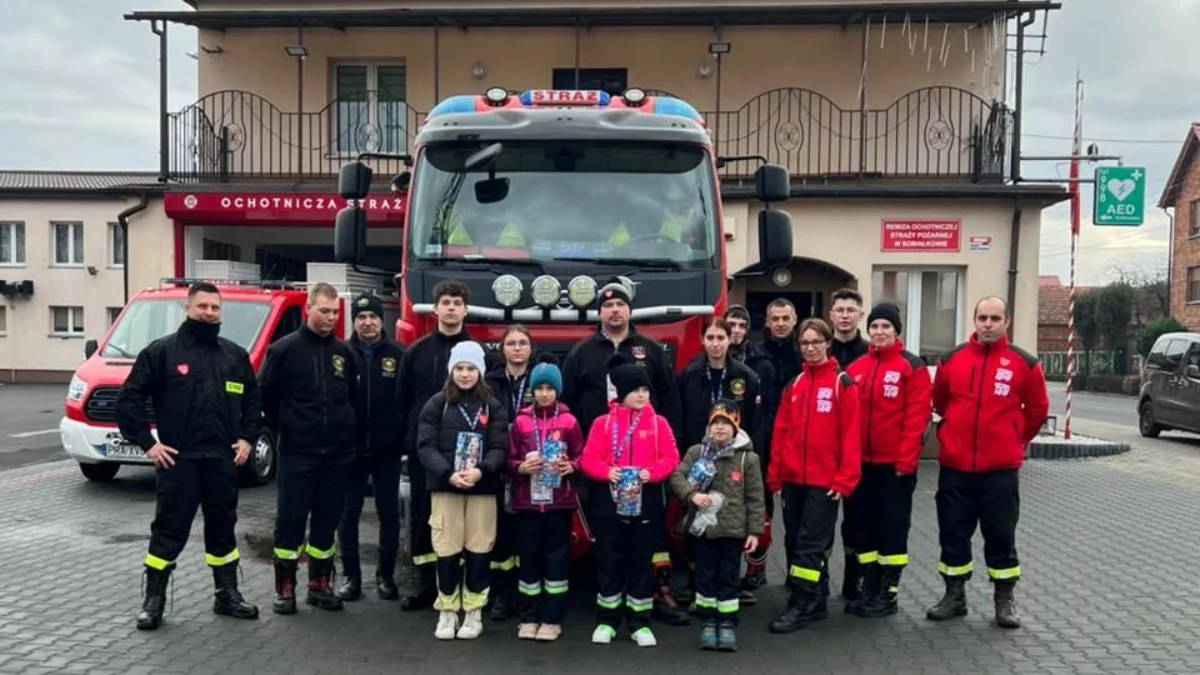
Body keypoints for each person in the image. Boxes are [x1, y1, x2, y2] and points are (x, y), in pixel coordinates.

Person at [116, 282, 262, 631]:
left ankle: (227, 594)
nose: (209, 313)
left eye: (215, 307)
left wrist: (246, 439)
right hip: (179, 462)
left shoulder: (234, 356)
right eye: (202, 306)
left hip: (222, 461)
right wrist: (148, 444)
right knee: (169, 530)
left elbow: (253, 402)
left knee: (223, 530)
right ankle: (154, 601)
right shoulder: (162, 353)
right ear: (187, 308)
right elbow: (128, 401)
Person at [562, 279, 688, 626]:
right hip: (601, 464)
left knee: (650, 537)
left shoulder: (651, 349)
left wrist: (669, 447)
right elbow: (568, 404)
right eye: (607, 306)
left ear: (630, 311)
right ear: (599, 313)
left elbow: (670, 396)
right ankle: (605, 600)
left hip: (645, 468)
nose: (614, 311)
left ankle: (656, 593)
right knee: (605, 535)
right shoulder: (581, 352)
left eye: (620, 305)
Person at [926, 296, 1048, 629]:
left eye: (995, 318)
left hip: (1000, 470)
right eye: (983, 318)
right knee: (953, 534)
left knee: (1000, 535)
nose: (988, 324)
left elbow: (1037, 409)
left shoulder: (1024, 364)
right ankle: (954, 596)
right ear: (975, 321)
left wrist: (1014, 438)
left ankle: (1004, 599)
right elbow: (940, 400)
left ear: (1006, 322)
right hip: (955, 468)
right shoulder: (952, 360)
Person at [259, 282, 364, 615]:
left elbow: (354, 400)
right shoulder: (283, 350)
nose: (330, 317)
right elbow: (267, 397)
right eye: (324, 311)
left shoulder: (345, 353)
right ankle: (284, 587)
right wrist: (288, 426)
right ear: (308, 309)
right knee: (290, 521)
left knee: (327, 520)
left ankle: (319, 583)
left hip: (337, 454)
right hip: (298, 452)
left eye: (335, 312)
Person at [766, 318, 861, 634]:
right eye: (805, 343)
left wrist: (845, 479)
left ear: (828, 343)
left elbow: (851, 436)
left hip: (825, 483)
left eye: (816, 342)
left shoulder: (842, 384)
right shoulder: (794, 385)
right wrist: (775, 475)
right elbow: (781, 432)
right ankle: (815, 598)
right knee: (794, 540)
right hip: (793, 480)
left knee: (810, 543)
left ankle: (803, 603)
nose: (810, 348)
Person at [580, 353, 681, 647]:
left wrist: (652, 473)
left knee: (640, 563)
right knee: (609, 562)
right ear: (622, 392)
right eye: (636, 390)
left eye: (645, 389)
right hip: (609, 505)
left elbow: (671, 458)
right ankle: (607, 620)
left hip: (646, 503)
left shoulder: (659, 423)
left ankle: (640, 623)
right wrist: (606, 472)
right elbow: (588, 459)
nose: (642, 395)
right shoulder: (602, 423)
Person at [416, 340, 509, 640]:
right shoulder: (437, 404)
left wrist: (482, 470)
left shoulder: (493, 406)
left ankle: (473, 612)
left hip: (482, 488)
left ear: (480, 372)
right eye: (459, 368)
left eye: (471, 368)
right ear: (451, 371)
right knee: (446, 548)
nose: (465, 374)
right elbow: (426, 445)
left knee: (479, 549)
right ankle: (446, 611)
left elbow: (499, 446)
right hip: (447, 487)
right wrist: (448, 474)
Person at [844, 303, 932, 617]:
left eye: (886, 326)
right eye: (875, 326)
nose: (879, 332)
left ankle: (888, 594)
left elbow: (917, 418)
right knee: (863, 529)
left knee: (892, 529)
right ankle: (869, 587)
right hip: (862, 467)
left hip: (895, 468)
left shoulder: (912, 366)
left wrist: (905, 462)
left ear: (896, 331)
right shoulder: (856, 367)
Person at [396, 279, 476, 610]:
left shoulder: (477, 353)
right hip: (425, 452)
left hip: (467, 452)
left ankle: (463, 585)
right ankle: (427, 585)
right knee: (425, 515)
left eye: (457, 303)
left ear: (465, 310)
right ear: (435, 309)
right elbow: (403, 400)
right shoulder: (417, 352)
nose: (451, 308)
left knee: (466, 518)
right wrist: (410, 440)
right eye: (446, 302)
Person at [672, 317, 762, 606]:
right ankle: (697, 583)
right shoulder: (687, 375)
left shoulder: (746, 377)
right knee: (696, 522)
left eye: (720, 338)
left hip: (732, 461)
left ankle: (728, 585)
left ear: (730, 339)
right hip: (699, 459)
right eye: (710, 338)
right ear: (702, 340)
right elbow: (680, 418)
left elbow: (754, 422)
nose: (715, 344)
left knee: (729, 524)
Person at [669, 399, 765, 652]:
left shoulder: (748, 459)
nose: (720, 428)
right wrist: (692, 495)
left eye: (726, 423)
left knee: (728, 578)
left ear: (736, 427)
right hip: (703, 531)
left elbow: (755, 498)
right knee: (704, 576)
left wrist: (755, 532)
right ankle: (708, 622)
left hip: (732, 531)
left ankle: (727, 623)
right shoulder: (697, 452)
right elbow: (677, 477)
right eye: (715, 423)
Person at [507, 353, 585, 642]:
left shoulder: (569, 421)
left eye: (549, 388)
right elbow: (509, 459)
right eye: (539, 388)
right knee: (528, 560)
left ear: (557, 390)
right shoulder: (520, 421)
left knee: (556, 561)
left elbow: (581, 455)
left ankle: (552, 619)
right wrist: (520, 467)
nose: (543, 393)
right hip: (527, 503)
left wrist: (571, 466)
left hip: (558, 503)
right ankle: (529, 617)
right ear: (532, 390)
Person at [335, 293, 408, 601]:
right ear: (354, 321)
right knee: (347, 513)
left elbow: (406, 400)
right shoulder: (340, 353)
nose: (368, 322)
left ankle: (385, 576)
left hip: (386, 450)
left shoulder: (399, 354)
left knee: (388, 514)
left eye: (373, 317)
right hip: (350, 451)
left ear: (381, 320)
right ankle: (351, 577)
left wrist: (401, 437)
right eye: (361, 317)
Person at [482, 325, 535, 620]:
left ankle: (524, 594)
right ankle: (501, 593)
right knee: (500, 532)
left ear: (530, 349)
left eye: (522, 343)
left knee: (526, 533)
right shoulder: (489, 383)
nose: (517, 348)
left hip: (530, 465)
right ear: (502, 349)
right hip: (498, 464)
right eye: (511, 343)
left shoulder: (538, 381)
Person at [825, 288, 870, 602]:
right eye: (839, 309)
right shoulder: (818, 350)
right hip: (824, 453)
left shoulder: (869, 354)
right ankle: (816, 581)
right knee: (820, 523)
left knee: (857, 522)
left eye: (850, 310)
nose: (844, 315)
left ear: (860, 315)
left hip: (858, 453)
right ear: (831, 314)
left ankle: (854, 580)